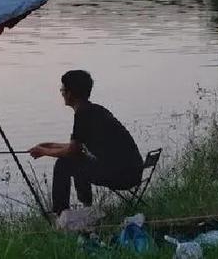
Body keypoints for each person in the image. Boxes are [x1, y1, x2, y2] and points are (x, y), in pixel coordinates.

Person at [28, 70, 143, 215]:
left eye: (62, 89)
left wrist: (44, 152)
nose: (61, 93)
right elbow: (76, 146)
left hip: (123, 176)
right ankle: (86, 207)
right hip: (133, 170)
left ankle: (60, 213)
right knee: (77, 160)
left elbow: (72, 151)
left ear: (69, 93)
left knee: (64, 164)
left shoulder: (83, 115)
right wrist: (48, 145)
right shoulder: (95, 110)